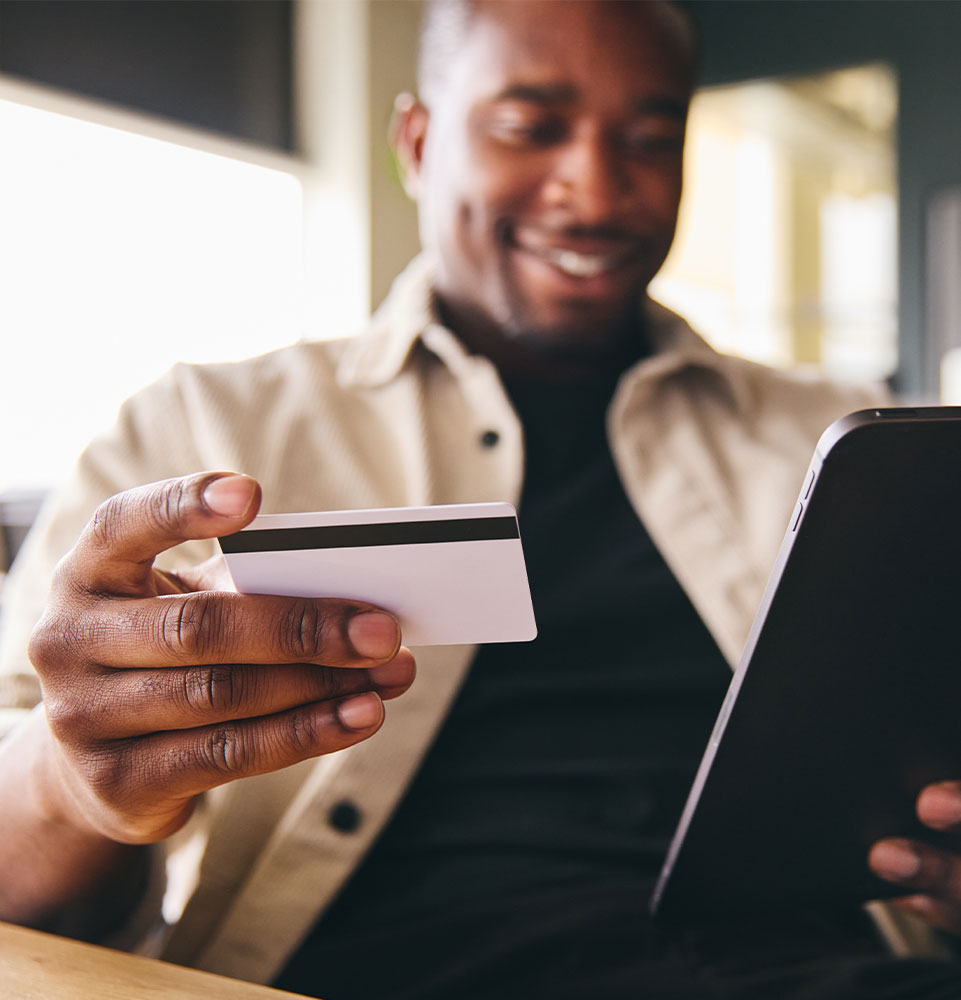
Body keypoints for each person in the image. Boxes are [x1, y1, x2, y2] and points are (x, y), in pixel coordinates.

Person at [1, 1, 961, 997]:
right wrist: (71, 782)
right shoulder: (200, 425)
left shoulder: (850, 436)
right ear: (417, 144)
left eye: (647, 138)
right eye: (528, 127)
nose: (594, 189)